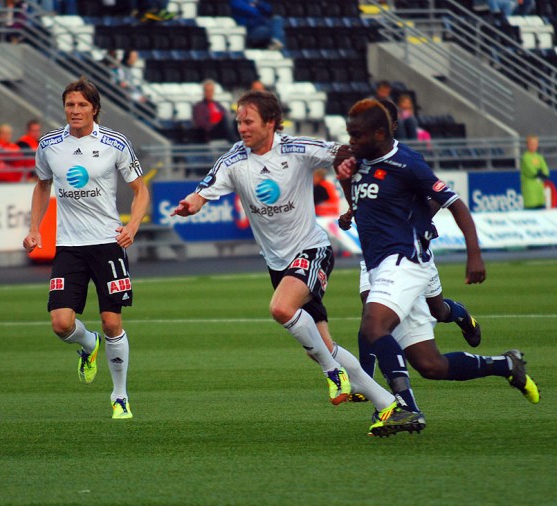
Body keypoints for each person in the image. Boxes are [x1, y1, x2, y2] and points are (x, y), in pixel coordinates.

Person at [171, 90, 417, 434]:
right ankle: (388, 405)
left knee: (281, 309)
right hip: (278, 264)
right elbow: (203, 192)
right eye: (239, 121)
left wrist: (364, 170)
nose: (242, 128)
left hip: (312, 250)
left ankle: (333, 372)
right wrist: (191, 204)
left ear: (271, 122)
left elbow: (342, 152)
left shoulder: (296, 149)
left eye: (249, 121)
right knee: (321, 346)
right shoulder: (233, 160)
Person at [337, 98, 539, 436]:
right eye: (349, 134)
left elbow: (454, 203)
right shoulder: (357, 161)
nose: (351, 141)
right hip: (379, 265)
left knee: (374, 325)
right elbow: (360, 200)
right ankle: (506, 364)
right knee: (431, 365)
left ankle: (403, 408)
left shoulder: (407, 163)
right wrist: (345, 181)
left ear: (380, 133)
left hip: (404, 261)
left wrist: (474, 254)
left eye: (356, 135)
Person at [23, 77, 150, 420]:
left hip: (108, 243)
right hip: (69, 246)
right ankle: (88, 344)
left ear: (95, 108)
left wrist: (132, 226)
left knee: (112, 322)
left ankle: (119, 396)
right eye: (70, 104)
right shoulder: (50, 144)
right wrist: (34, 229)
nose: (75, 110)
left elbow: (140, 190)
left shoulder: (115, 142)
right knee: (60, 323)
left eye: (82, 105)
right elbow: (42, 185)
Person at [520, 134, 550, 210]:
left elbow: (545, 169)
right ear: (527, 145)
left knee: (541, 208)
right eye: (531, 144)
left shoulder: (539, 157)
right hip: (530, 189)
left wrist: (542, 173)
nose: (533, 146)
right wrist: (539, 173)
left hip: (539, 189)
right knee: (531, 209)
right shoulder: (525, 157)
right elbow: (531, 171)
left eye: (535, 144)